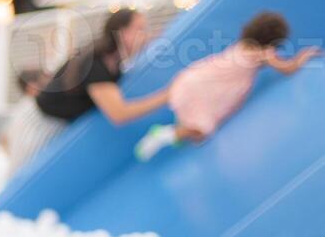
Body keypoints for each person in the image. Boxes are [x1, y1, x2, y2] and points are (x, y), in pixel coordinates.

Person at [134, 11, 320, 161]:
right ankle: (163, 134)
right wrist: (301, 58)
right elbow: (286, 68)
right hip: (204, 86)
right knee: (201, 128)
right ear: (274, 39)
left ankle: (176, 132)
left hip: (198, 78)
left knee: (198, 130)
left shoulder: (244, 45)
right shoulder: (262, 52)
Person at [4, 9, 171, 174]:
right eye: (140, 29)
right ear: (122, 32)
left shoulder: (108, 61)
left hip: (50, 122)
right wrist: (167, 95)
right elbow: (119, 114)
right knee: (22, 178)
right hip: (39, 123)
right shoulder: (98, 64)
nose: (146, 36)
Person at [0, 69, 47, 174]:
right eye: (44, 81)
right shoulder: (38, 107)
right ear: (32, 87)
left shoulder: (20, 109)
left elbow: (3, 140)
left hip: (16, 173)